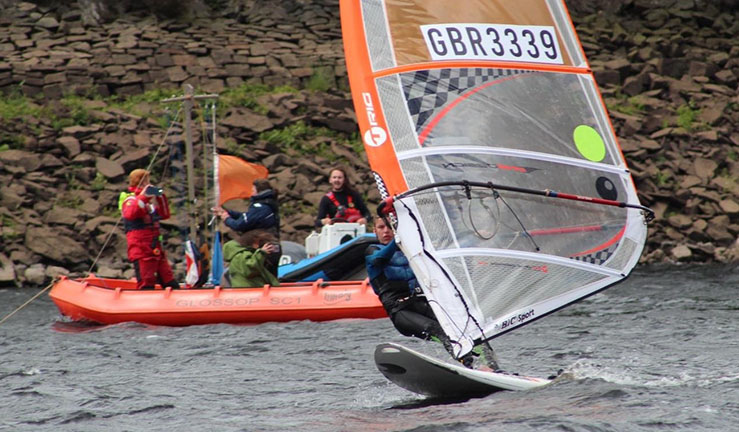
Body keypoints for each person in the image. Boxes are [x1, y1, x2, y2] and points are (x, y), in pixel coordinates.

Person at [365, 215, 498, 369]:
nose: (386, 231)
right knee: (438, 330)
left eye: (389, 227)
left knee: (465, 327)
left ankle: (493, 367)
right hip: (401, 312)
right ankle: (469, 366)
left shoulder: (411, 252)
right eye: (381, 227)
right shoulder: (372, 252)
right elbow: (378, 259)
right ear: (374, 230)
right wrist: (400, 238)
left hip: (421, 304)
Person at [119, 169, 179, 290]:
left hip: (155, 248)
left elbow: (164, 215)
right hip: (141, 250)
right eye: (145, 181)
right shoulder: (130, 200)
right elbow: (131, 213)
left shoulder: (149, 204)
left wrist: (160, 196)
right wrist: (144, 196)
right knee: (146, 283)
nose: (148, 183)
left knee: (169, 281)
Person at [213, 178, 281, 277]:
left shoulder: (260, 207)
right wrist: (227, 212)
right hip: (269, 245)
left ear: (258, 192)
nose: (251, 193)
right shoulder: (267, 205)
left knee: (264, 277)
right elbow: (247, 217)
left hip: (265, 248)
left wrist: (226, 218)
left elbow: (239, 225)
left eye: (253, 190)